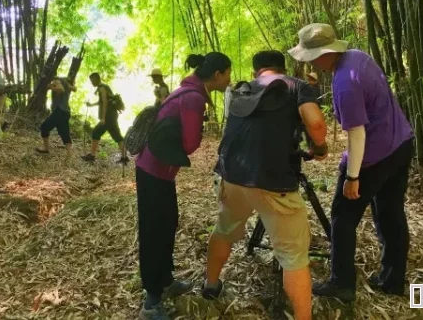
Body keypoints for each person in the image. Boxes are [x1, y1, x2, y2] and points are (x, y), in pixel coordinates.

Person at [288, 23, 414, 301]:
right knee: (391, 213)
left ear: (323, 54)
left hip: (374, 154)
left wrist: (352, 177)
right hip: (401, 142)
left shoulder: (344, 82)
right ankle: (392, 280)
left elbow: (357, 133)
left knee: (343, 218)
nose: (310, 62)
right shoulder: (358, 57)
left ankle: (342, 283)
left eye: (310, 56)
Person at [203, 50, 328, 320]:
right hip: (273, 181)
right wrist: (320, 147)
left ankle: (210, 285)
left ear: (255, 72)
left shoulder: (240, 90)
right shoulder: (296, 85)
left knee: (224, 230)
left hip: (231, 175)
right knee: (294, 255)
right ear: (283, 69)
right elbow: (316, 123)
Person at [135, 52, 232, 320]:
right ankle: (151, 303)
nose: (229, 80)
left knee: (168, 223)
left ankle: (165, 281)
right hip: (154, 172)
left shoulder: (186, 90)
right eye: (228, 74)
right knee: (155, 231)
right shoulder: (193, 98)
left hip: (158, 171)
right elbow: (190, 143)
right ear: (217, 74)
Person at [81, 73, 128, 164]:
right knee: (116, 135)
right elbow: (101, 102)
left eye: (92, 80)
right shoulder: (104, 87)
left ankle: (92, 156)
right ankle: (124, 157)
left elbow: (105, 103)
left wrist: (103, 118)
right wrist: (91, 105)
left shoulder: (102, 88)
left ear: (96, 79)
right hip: (112, 116)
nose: (91, 82)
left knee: (96, 132)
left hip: (108, 117)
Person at [35, 77, 76, 156]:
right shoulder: (66, 83)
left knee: (44, 127)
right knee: (64, 132)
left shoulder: (57, 81)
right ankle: (69, 153)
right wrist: (73, 85)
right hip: (66, 112)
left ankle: (46, 149)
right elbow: (74, 89)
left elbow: (61, 89)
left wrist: (50, 87)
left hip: (59, 110)